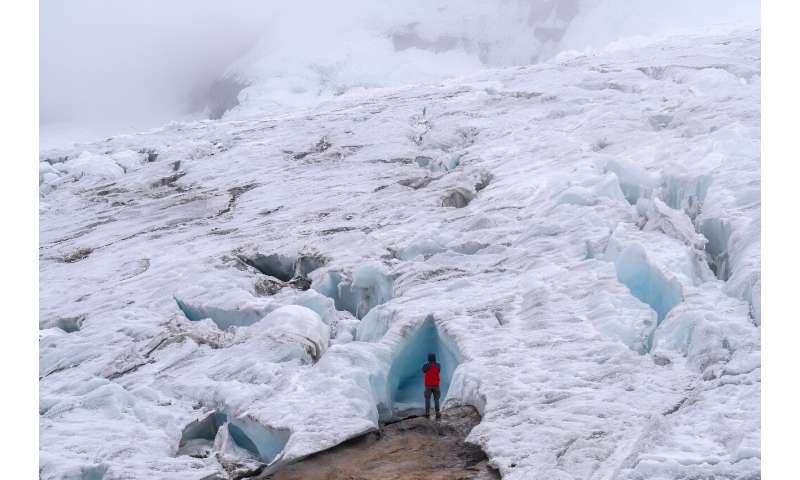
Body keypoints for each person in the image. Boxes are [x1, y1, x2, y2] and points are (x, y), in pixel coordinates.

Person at [422, 352, 441, 420]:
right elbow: (438, 371)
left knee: (427, 399)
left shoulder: (426, 365)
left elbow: (423, 370)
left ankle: (427, 413)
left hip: (428, 385)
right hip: (436, 384)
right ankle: (437, 412)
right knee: (436, 399)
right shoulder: (438, 365)